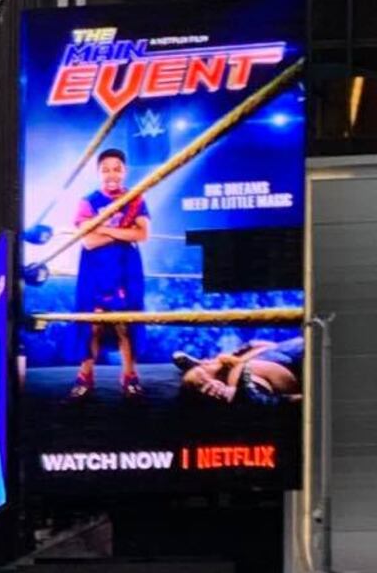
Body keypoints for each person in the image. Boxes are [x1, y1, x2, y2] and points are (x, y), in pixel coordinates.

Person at [69, 148, 151, 399]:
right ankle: (85, 376)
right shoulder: (88, 200)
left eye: (117, 168)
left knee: (124, 325)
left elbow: (142, 234)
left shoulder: (136, 198)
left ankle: (129, 376)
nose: (112, 174)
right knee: (91, 326)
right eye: (106, 169)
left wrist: (105, 229)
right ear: (98, 173)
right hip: (95, 271)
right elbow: (88, 242)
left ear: (124, 171)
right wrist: (122, 229)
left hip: (125, 270)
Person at [174, 335, 304, 404]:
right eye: (204, 367)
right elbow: (261, 400)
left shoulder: (242, 357)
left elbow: (177, 356)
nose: (206, 361)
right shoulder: (242, 375)